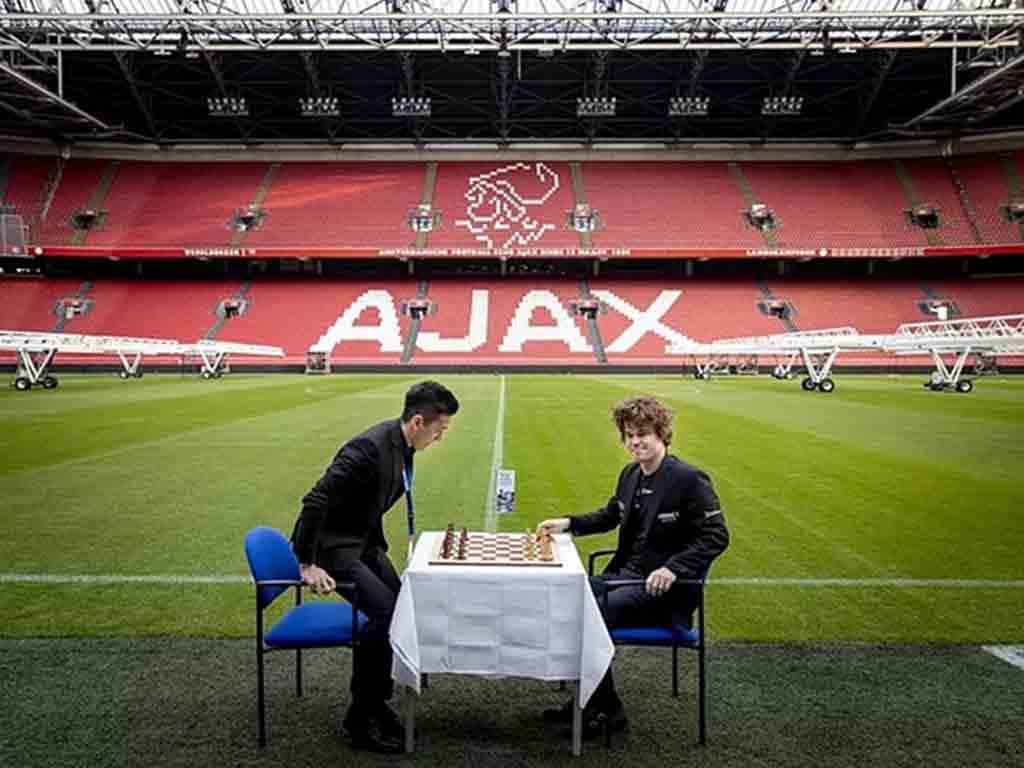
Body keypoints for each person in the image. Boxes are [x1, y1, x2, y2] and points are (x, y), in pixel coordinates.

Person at [537, 395, 729, 740]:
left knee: (588, 613)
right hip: (625, 578)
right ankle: (595, 702)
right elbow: (611, 514)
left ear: (662, 434)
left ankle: (604, 712)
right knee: (565, 596)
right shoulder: (630, 474)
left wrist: (672, 568)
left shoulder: (688, 479)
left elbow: (717, 535)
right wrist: (568, 523)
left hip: (664, 592)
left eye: (643, 434)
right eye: (629, 435)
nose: (635, 442)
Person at [291, 380, 459, 754]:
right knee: (384, 616)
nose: (440, 437)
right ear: (418, 422)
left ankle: (377, 702)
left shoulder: (404, 447)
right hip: (333, 547)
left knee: (401, 608)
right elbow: (315, 500)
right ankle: (359, 718)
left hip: (363, 542)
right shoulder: (368, 449)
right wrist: (308, 563)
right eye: (439, 429)